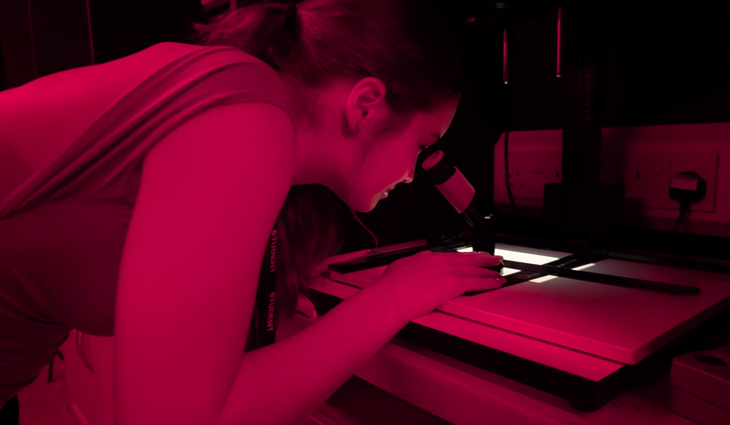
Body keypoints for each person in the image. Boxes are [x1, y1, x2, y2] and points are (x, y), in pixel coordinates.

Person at [0, 0, 505, 423]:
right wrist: (393, 298)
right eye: (423, 143)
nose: (415, 173)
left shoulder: (246, 111)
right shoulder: (245, 117)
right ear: (366, 104)